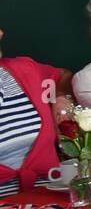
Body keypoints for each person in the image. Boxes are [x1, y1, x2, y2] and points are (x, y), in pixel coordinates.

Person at [0, 28, 75, 197]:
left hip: (53, 205)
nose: (1, 33)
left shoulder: (24, 70)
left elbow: (62, 77)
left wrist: (61, 98)